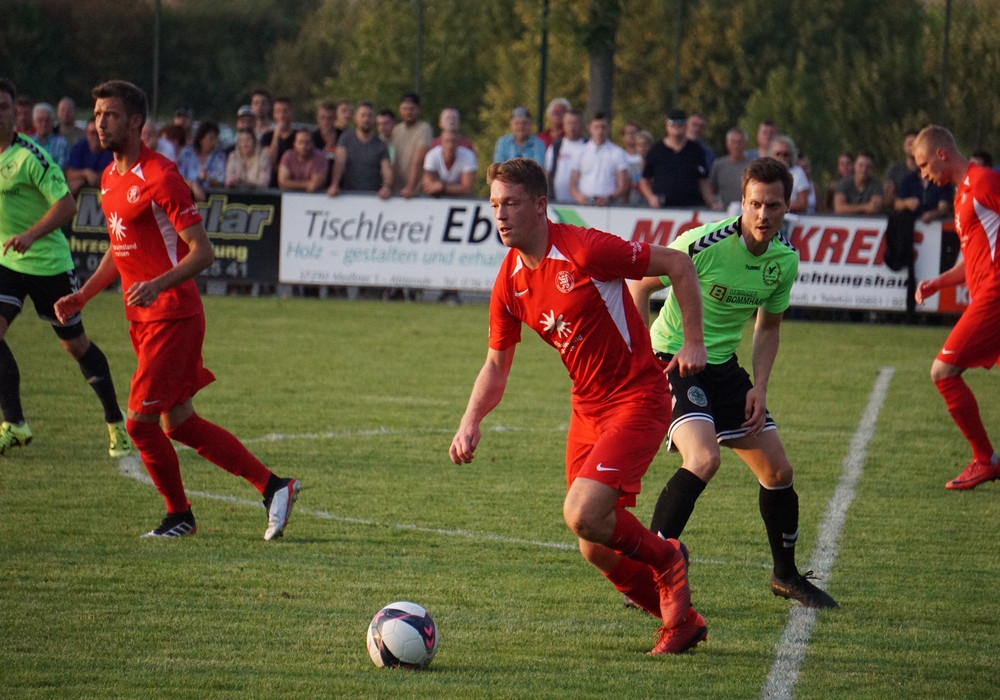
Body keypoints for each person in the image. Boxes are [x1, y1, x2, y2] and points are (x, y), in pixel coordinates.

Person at [449, 157, 709, 655]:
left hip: (637, 397)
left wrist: (693, 341)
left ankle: (668, 559)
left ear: (540, 205)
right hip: (588, 409)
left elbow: (678, 265)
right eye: (495, 205)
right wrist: (470, 420)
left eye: (511, 204)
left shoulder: (584, 249)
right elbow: (496, 365)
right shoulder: (509, 281)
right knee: (594, 545)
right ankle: (680, 622)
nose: (500, 215)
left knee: (583, 512)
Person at [54, 79, 300, 539]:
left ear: (136, 122)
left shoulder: (161, 176)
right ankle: (274, 487)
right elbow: (119, 249)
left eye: (110, 115)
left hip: (173, 316)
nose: (99, 123)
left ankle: (178, 515)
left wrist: (157, 284)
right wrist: (83, 295)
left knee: (139, 424)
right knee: (179, 423)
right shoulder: (109, 178)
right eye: (97, 113)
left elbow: (202, 252)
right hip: (144, 319)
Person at [629, 157, 839, 610]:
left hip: (723, 366)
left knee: (778, 472)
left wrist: (759, 388)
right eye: (755, 204)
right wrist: (643, 359)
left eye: (773, 205)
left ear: (788, 207)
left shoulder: (784, 260)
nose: (763, 214)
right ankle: (649, 572)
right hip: (673, 359)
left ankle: (785, 576)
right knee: (704, 459)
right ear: (742, 202)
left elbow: (768, 328)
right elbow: (639, 287)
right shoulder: (701, 244)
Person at [0, 77, 131, 459]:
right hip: (8, 261)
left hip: (48, 264)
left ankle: (116, 423)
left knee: (75, 345)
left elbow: (67, 206)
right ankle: (14, 423)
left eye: (3, 107)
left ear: (15, 114)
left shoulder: (31, 157)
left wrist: (31, 234)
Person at [912, 125, 1000, 490]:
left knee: (943, 371)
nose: (923, 174)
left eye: (923, 164)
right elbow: (971, 261)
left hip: (995, 296)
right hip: (985, 296)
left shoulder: (983, 181)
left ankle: (984, 459)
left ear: (941, 154)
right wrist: (937, 282)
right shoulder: (962, 195)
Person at [638, 109, 713, 209]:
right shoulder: (656, 150)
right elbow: (644, 180)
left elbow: (703, 180)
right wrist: (651, 197)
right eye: (672, 123)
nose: (676, 126)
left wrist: (711, 202)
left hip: (691, 207)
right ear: (666, 126)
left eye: (680, 123)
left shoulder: (696, 150)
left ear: (685, 125)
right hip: (663, 207)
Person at [327, 100, 392, 198]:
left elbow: (387, 170)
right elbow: (340, 162)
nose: (366, 119)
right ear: (355, 118)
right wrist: (334, 184)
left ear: (374, 119)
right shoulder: (346, 138)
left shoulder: (380, 145)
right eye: (363, 115)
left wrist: (387, 187)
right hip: (348, 196)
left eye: (369, 116)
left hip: (373, 197)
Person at [567, 112, 631, 206]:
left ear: (609, 128)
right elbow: (572, 184)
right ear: (590, 129)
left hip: (609, 205)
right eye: (596, 127)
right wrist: (578, 197)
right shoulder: (580, 152)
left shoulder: (618, 153)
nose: (600, 131)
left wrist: (609, 198)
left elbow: (623, 185)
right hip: (584, 204)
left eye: (603, 127)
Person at [390, 93, 433, 199]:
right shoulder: (396, 130)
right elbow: (393, 158)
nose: (408, 112)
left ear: (418, 110)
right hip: (397, 189)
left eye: (412, 109)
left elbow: (418, 159)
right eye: (404, 109)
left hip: (416, 191)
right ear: (400, 110)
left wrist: (410, 187)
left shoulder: (424, 129)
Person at [176, 120, 227, 201]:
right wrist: (192, 185)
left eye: (216, 139)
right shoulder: (187, 153)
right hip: (185, 199)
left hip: (211, 201)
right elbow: (177, 176)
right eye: (211, 139)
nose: (214, 142)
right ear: (201, 139)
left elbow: (221, 180)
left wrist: (208, 179)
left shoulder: (219, 156)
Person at [544, 108, 586, 203]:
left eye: (575, 123)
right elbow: (547, 173)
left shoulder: (588, 146)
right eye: (569, 123)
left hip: (582, 201)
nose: (572, 127)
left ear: (581, 125)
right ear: (564, 125)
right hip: (556, 201)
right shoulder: (556, 146)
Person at [422, 128, 477, 197]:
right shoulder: (432, 155)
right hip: (435, 198)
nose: (450, 145)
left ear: (458, 143)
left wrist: (442, 187)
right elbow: (428, 186)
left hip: (461, 199)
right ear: (441, 142)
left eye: (453, 141)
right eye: (447, 141)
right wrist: (456, 188)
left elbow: (467, 189)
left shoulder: (468, 156)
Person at [65, 119, 114, 196]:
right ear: (86, 134)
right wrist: (85, 173)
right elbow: (69, 173)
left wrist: (97, 177)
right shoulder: (79, 147)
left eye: (98, 133)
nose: (95, 137)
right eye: (92, 133)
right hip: (81, 190)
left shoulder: (110, 149)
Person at [708, 127, 750, 212]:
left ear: (745, 144)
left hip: (747, 212)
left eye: (740, 142)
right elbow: (711, 189)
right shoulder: (718, 165)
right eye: (733, 142)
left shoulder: (753, 166)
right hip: (722, 213)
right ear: (727, 144)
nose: (736, 146)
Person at [767, 135, 811, 213]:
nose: (782, 157)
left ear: (791, 156)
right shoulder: (766, 172)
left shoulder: (798, 172)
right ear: (771, 155)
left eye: (786, 154)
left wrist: (778, 208)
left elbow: (803, 204)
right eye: (778, 154)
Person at [278, 128, 328, 193]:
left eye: (307, 143)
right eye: (300, 142)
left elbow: (314, 186)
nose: (303, 146)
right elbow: (282, 182)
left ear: (313, 144)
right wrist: (306, 184)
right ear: (294, 144)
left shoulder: (320, 158)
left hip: (314, 196)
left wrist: (291, 184)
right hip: (289, 195)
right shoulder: (288, 156)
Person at [833, 151, 883, 215]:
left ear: (871, 169)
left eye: (868, 167)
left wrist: (848, 208)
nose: (864, 169)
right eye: (860, 165)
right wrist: (865, 207)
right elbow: (839, 208)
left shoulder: (876, 184)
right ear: (854, 166)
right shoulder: (843, 183)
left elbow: (874, 208)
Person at [261, 97, 296, 188]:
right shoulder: (267, 136)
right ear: (273, 114)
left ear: (291, 112)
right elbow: (269, 161)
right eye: (278, 111)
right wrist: (276, 135)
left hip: (293, 182)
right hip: (271, 183)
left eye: (285, 111)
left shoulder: (299, 136)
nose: (282, 115)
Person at [31, 103, 69, 169]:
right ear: (34, 122)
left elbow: (61, 168)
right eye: (40, 120)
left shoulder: (61, 143)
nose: (44, 124)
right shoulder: (28, 143)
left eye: (47, 120)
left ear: (53, 121)